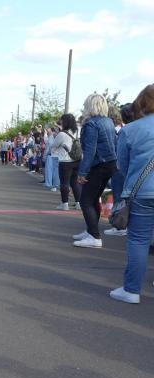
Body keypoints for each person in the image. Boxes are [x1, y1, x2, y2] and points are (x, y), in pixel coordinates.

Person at [109, 85, 154, 303]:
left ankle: (132, 290)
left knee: (139, 240)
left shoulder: (131, 130)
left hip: (142, 191)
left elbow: (122, 166)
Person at [72, 94, 117, 249]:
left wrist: (82, 172)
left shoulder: (91, 124)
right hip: (110, 163)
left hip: (98, 165)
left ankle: (94, 236)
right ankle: (90, 231)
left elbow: (90, 151)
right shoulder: (108, 121)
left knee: (85, 200)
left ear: (90, 106)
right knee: (93, 199)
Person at [52, 114, 81, 211]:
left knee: (64, 183)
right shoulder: (78, 132)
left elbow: (54, 145)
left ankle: (65, 204)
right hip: (77, 160)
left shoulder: (62, 134)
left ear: (65, 122)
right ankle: (78, 203)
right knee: (75, 183)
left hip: (65, 161)